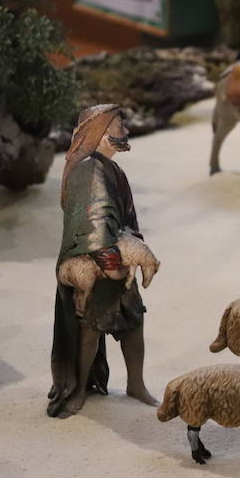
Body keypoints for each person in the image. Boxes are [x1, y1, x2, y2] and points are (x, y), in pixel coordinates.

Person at [48, 104, 157, 418]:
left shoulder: (112, 169)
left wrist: (131, 247)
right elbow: (93, 222)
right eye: (118, 124)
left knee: (134, 321)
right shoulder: (88, 170)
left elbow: (122, 218)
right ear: (102, 133)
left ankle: (136, 384)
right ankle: (79, 388)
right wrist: (111, 263)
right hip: (97, 266)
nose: (124, 128)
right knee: (91, 328)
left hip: (120, 260)